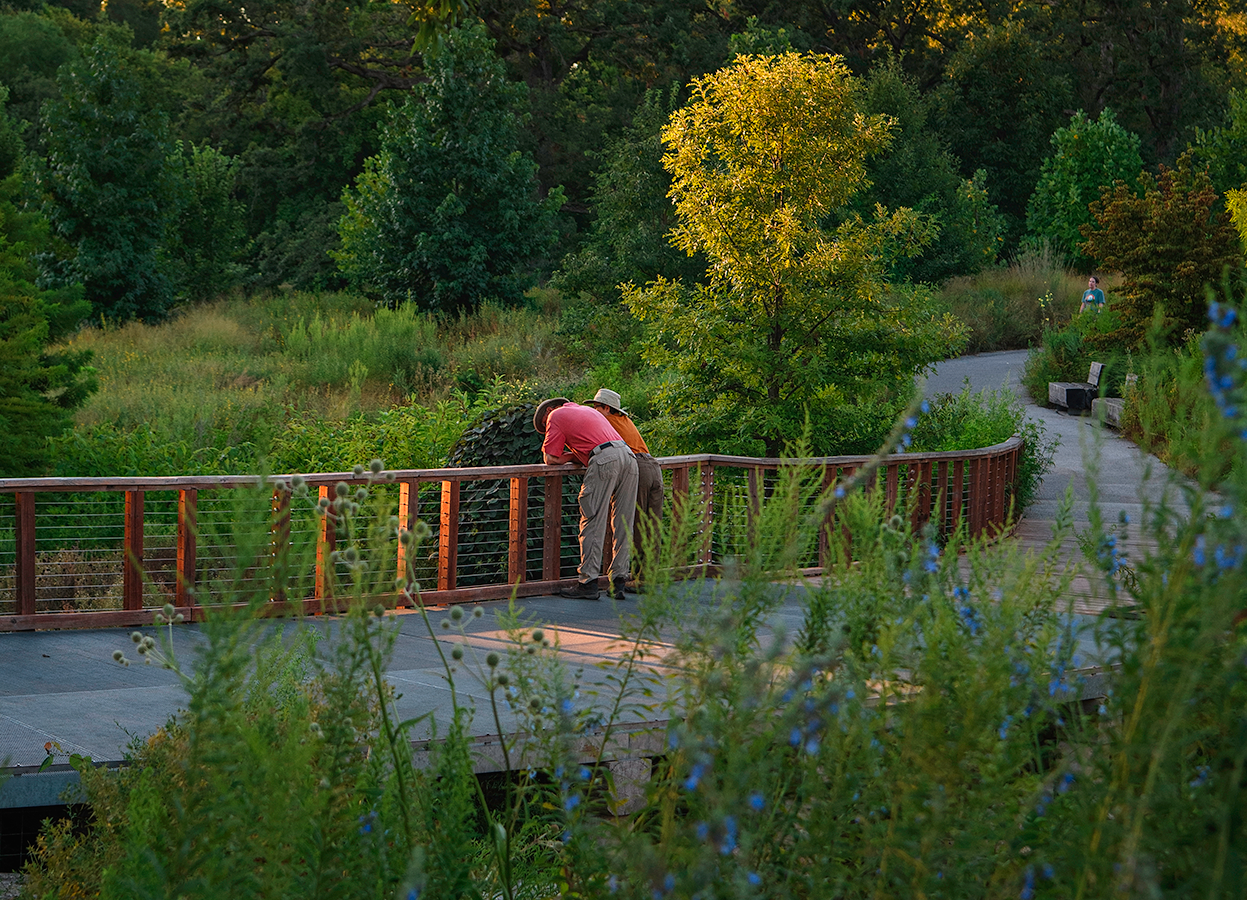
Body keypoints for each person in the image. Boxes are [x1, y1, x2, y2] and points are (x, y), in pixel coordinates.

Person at [534, 397, 638, 601]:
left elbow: (550, 458)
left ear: (548, 411)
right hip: (628, 456)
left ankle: (588, 582)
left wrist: (570, 456)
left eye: (544, 425)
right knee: (624, 522)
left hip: (604, 459)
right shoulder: (585, 410)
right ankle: (618, 582)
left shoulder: (555, 415)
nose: (547, 428)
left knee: (593, 520)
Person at [586, 388, 661, 590]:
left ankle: (638, 579)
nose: (594, 411)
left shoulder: (606, 422)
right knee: (652, 524)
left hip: (637, 467)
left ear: (607, 408)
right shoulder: (624, 421)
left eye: (597, 407)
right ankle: (648, 577)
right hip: (653, 466)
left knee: (635, 523)